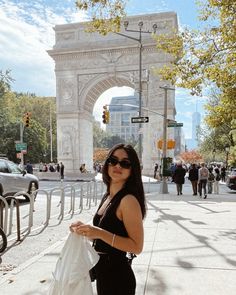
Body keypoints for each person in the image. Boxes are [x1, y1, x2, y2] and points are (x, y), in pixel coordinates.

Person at [70, 143, 146, 295]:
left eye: (125, 163)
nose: (118, 165)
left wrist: (98, 233)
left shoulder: (128, 200)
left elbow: (137, 246)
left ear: (132, 170)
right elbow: (106, 235)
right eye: (113, 160)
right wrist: (85, 230)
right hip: (103, 273)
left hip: (118, 278)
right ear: (107, 164)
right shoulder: (109, 196)